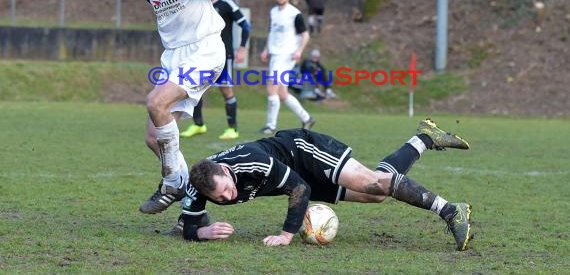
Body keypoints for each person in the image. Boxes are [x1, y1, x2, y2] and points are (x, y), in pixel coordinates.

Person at [171, 119, 472, 251]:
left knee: (373, 183)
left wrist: (286, 235)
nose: (229, 196)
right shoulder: (200, 184)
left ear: (225, 170)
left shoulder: (252, 161)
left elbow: (299, 189)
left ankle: (450, 210)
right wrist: (202, 230)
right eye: (221, 198)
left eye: (229, 188)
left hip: (304, 151)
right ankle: (425, 137)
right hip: (294, 174)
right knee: (377, 194)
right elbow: (187, 224)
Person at [112, 0, 235, 214]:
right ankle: (187, 188)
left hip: (205, 48)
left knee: (156, 102)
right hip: (174, 56)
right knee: (154, 138)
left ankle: (171, 183)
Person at [180, 0, 251, 140]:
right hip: (201, 55)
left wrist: (242, 48)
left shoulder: (226, 3)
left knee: (226, 90)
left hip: (223, 55)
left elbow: (245, 26)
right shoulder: (198, 3)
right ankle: (198, 125)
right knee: (194, 87)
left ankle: (233, 129)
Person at [259, 0, 315, 135]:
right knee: (282, 93)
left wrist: (299, 51)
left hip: (286, 55)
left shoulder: (294, 14)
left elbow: (305, 35)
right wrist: (266, 49)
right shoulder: (273, 12)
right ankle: (307, 118)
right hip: (275, 54)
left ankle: (271, 125)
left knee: (271, 87)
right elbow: (272, 33)